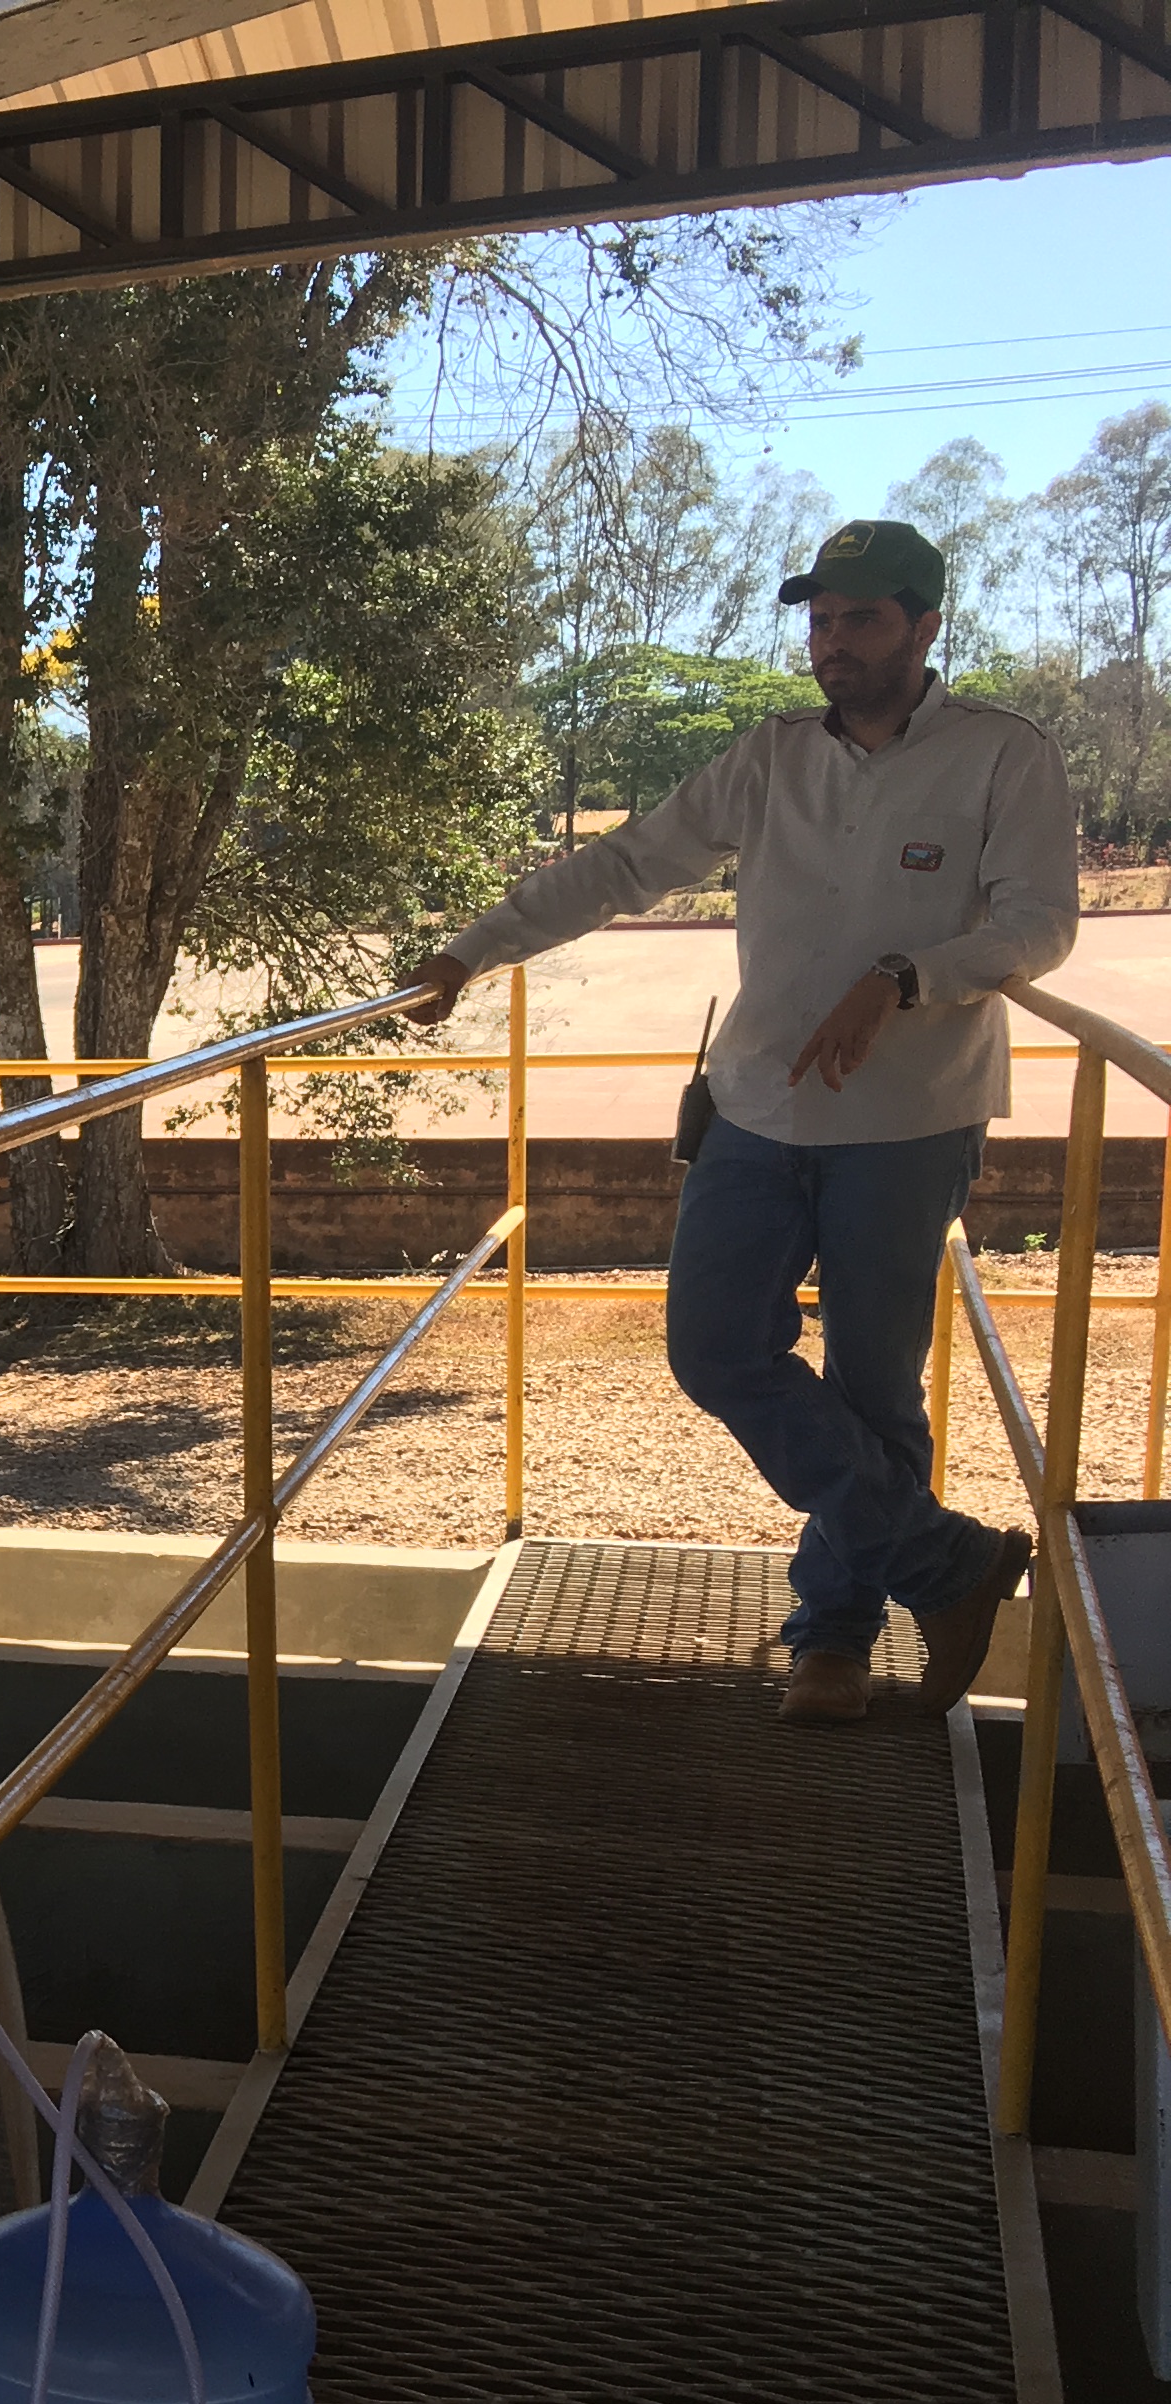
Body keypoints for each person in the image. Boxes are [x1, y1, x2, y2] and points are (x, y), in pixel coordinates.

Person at [409, 518, 1080, 1726]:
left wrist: (904, 977)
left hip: (909, 1119)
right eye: (819, 621)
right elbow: (626, 865)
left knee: (874, 1384)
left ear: (927, 626)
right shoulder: (768, 758)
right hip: (757, 1105)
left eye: (861, 619)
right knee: (715, 1349)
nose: (832, 643)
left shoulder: (1002, 755)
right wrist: (470, 953)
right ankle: (945, 1565)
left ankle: (833, 1637)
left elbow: (1038, 925)